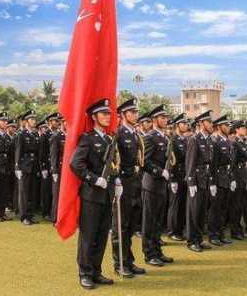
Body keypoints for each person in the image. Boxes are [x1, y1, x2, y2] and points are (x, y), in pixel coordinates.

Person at [71, 98, 117, 290]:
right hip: (91, 195)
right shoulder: (87, 138)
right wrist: (93, 178)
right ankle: (85, 273)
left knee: (101, 235)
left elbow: (114, 165)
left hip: (107, 195)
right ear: (94, 117)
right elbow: (75, 164)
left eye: (109, 113)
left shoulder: (109, 138)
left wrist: (117, 180)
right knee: (88, 235)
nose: (108, 116)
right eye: (103, 114)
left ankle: (96, 271)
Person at [111, 98, 146, 277]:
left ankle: (129, 261)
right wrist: (116, 180)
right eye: (131, 112)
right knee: (120, 226)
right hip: (123, 183)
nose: (135, 115)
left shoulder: (134, 133)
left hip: (135, 182)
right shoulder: (118, 133)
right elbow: (113, 159)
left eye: (136, 112)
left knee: (131, 226)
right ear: (123, 115)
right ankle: (119, 264)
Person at [141, 104, 174, 266]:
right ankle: (149, 254)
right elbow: (143, 161)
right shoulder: (150, 137)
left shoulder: (164, 137)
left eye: (166, 117)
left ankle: (157, 251)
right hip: (152, 183)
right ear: (154, 120)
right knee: (149, 220)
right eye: (162, 117)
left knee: (158, 220)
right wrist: (159, 171)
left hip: (162, 184)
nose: (165, 120)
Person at [185, 110, 214, 252]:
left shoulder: (207, 139)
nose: (211, 124)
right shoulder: (194, 139)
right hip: (196, 180)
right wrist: (191, 182)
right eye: (208, 122)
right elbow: (190, 162)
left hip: (205, 179)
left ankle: (199, 239)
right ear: (201, 123)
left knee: (202, 211)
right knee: (193, 212)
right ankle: (192, 241)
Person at [207, 114, 235, 246]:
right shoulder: (214, 141)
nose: (228, 127)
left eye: (229, 125)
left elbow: (230, 162)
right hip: (218, 178)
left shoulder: (226, 141)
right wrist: (212, 182)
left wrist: (231, 178)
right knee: (215, 209)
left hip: (225, 177)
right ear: (219, 126)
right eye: (226, 125)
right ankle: (213, 235)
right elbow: (212, 164)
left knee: (223, 208)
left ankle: (221, 233)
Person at [15, 110, 40, 225]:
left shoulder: (35, 134)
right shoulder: (21, 134)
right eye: (32, 119)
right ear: (26, 121)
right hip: (24, 166)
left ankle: (30, 214)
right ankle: (24, 216)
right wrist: (18, 167)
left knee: (31, 192)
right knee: (24, 192)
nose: (34, 121)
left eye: (35, 119)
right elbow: (18, 151)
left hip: (34, 166)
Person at [167, 113, 189, 242]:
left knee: (182, 204)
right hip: (176, 176)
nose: (186, 126)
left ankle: (179, 230)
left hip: (184, 175)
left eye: (186, 124)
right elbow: (171, 161)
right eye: (183, 123)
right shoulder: (173, 140)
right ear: (177, 125)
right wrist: (173, 179)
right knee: (174, 205)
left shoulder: (184, 140)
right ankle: (172, 231)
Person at [49, 113, 65, 224]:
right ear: (62, 123)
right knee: (57, 194)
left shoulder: (70, 135)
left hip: (68, 170)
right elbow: (53, 155)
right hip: (59, 169)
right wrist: (54, 170)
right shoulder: (56, 136)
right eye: (65, 122)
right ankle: (55, 218)